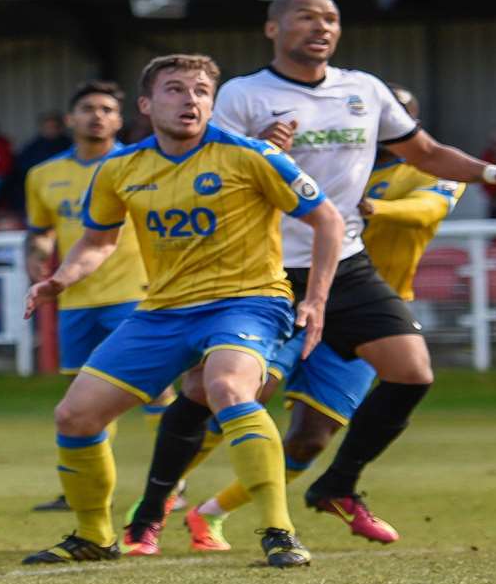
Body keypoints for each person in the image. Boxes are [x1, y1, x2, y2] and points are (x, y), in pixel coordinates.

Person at [123, 0, 496, 550]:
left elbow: (425, 152)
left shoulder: (364, 89)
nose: (321, 27)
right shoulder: (243, 95)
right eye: (306, 17)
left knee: (411, 371)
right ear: (273, 28)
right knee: (210, 392)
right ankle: (152, 512)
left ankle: (338, 484)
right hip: (265, 268)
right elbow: (199, 162)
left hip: (344, 261)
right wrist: (258, 150)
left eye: (330, 18)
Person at [21, 53, 343, 570]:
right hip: (164, 310)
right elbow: (98, 241)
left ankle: (279, 531)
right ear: (146, 105)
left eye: (199, 91)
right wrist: (61, 277)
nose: (189, 100)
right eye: (175, 89)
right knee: (75, 415)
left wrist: (317, 298)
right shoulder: (120, 168)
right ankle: (94, 536)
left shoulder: (252, 155)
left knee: (227, 388)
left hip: (247, 301)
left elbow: (327, 218)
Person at [185, 82, 465, 551]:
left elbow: (428, 210)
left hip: (368, 309)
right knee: (243, 392)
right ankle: (152, 506)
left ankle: (209, 513)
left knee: (311, 439)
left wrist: (375, 208)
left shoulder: (428, 173)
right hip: (295, 297)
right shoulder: (319, 168)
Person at [22, 80, 161, 515]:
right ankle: (81, 489)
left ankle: (173, 486)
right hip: (77, 301)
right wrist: (38, 256)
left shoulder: (140, 165)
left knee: (155, 392)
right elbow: (41, 229)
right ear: (70, 119)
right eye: (87, 108)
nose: (97, 115)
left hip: (134, 295)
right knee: (80, 398)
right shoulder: (43, 175)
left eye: (106, 109)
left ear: (119, 120)